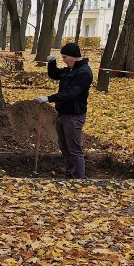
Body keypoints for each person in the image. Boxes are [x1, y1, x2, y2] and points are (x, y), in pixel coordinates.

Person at [35, 42, 93, 179]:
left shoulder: (84, 73)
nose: (63, 60)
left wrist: (49, 98)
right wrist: (51, 62)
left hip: (74, 116)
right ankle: (69, 175)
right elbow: (55, 74)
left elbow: (71, 93)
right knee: (65, 148)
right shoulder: (70, 69)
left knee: (74, 150)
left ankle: (79, 179)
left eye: (64, 57)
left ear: (73, 57)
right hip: (62, 114)